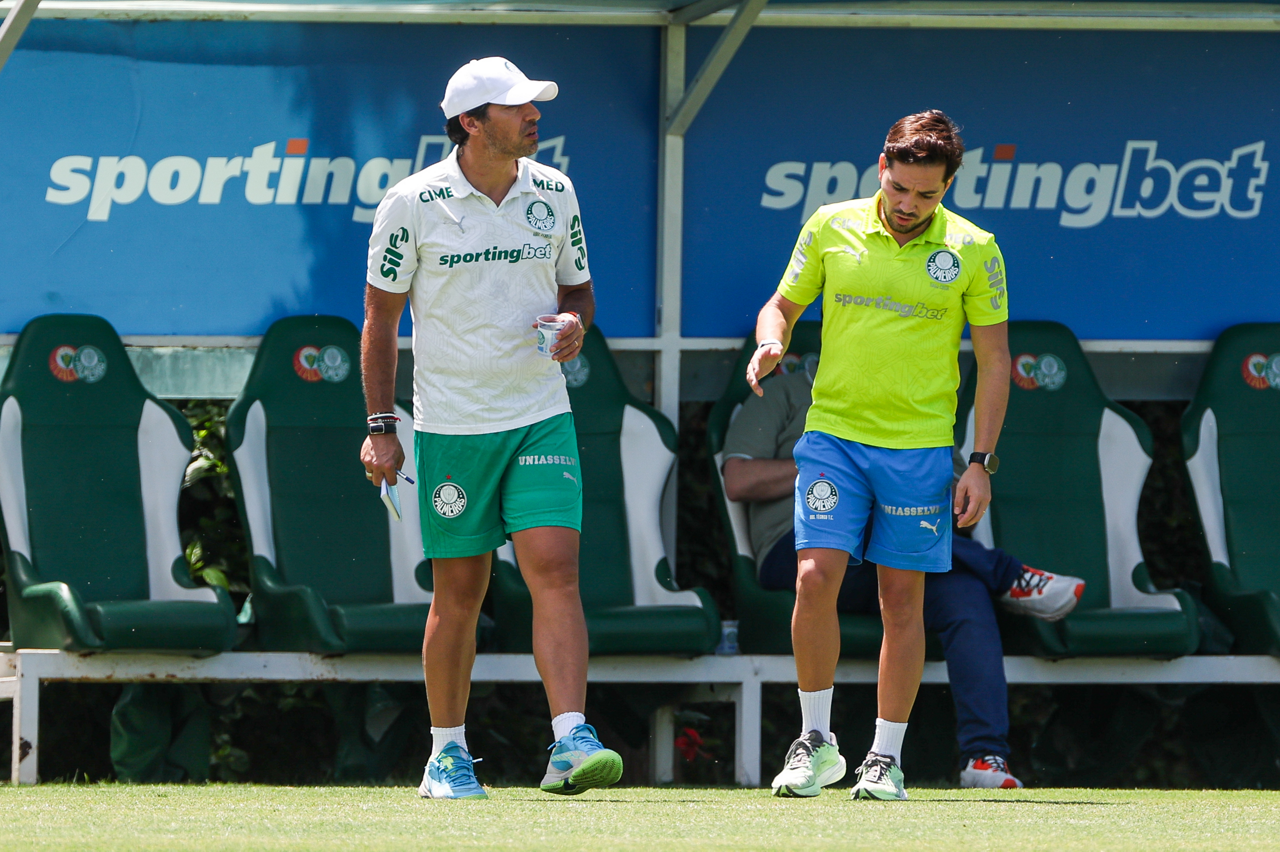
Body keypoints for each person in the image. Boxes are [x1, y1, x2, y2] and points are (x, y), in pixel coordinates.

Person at [359, 57, 622, 799]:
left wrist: (574, 326)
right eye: (516, 107)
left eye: (534, 103)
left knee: (556, 570)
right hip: (452, 426)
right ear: (471, 123)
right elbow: (379, 319)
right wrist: (382, 426)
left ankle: (570, 737)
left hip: (540, 416)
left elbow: (578, 292)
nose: (534, 115)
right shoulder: (412, 202)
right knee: (460, 592)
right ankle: (446, 754)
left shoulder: (555, 190)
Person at [745, 110, 1012, 801]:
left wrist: (979, 461)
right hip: (834, 437)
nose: (908, 205)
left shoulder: (975, 248)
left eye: (926, 194)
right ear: (881, 168)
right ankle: (815, 741)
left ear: (948, 185)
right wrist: (771, 341)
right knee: (814, 578)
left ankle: (884, 758)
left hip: (920, 450)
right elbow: (781, 306)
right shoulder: (829, 225)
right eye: (898, 188)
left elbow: (994, 362)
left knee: (902, 599)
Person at [722, 365, 1085, 788]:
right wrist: (839, 469)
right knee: (868, 526)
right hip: (801, 547)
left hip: (892, 547)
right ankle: (1008, 574)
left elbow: (950, 493)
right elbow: (738, 478)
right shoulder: (785, 390)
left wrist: (901, 481)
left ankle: (984, 757)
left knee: (964, 593)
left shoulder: (911, 396)